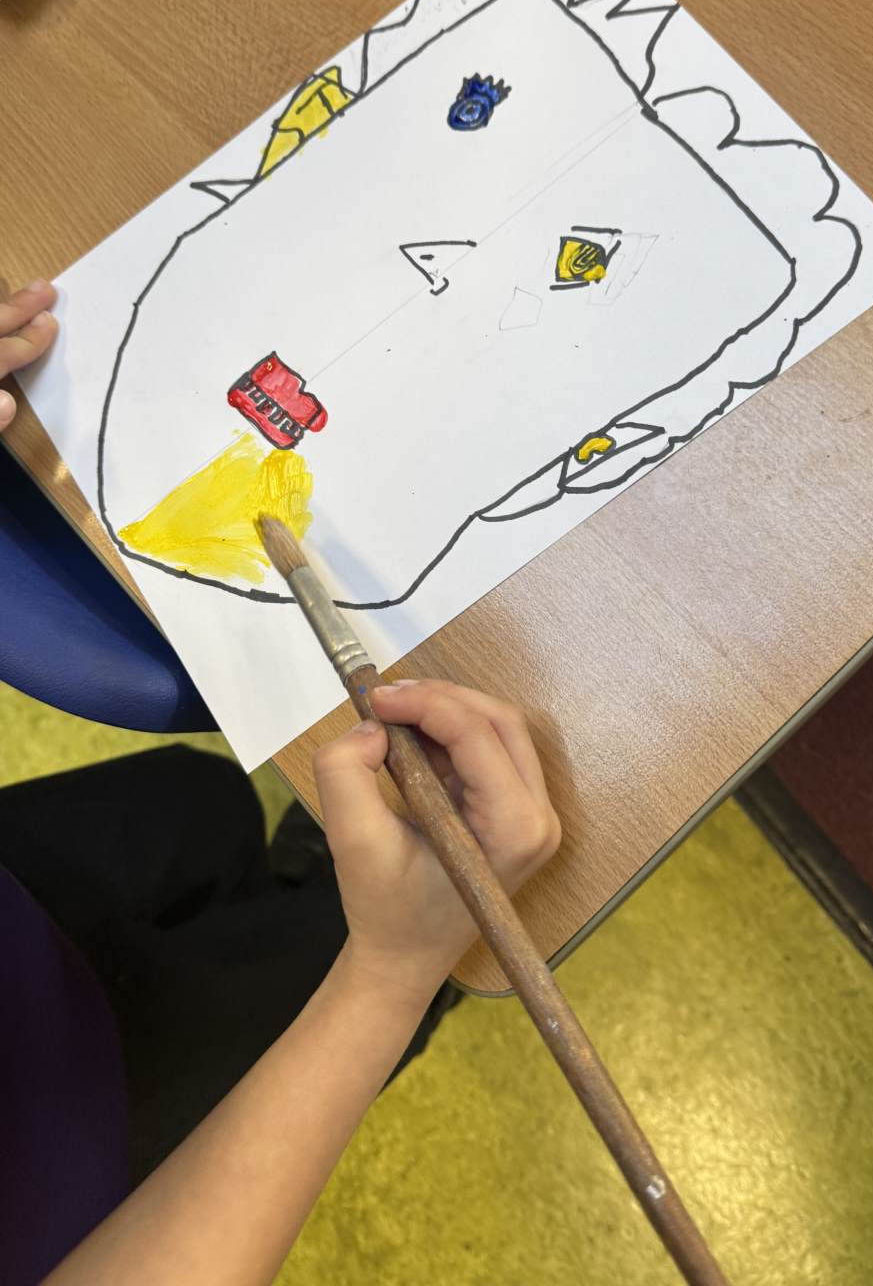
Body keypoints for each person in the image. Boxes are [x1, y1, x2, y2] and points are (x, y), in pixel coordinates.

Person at [0, 280, 562, 1286]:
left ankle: (305, 862)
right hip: (87, 1165)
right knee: (334, 943)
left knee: (195, 802)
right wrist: (390, 976)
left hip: (20, 907)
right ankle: (333, 899)